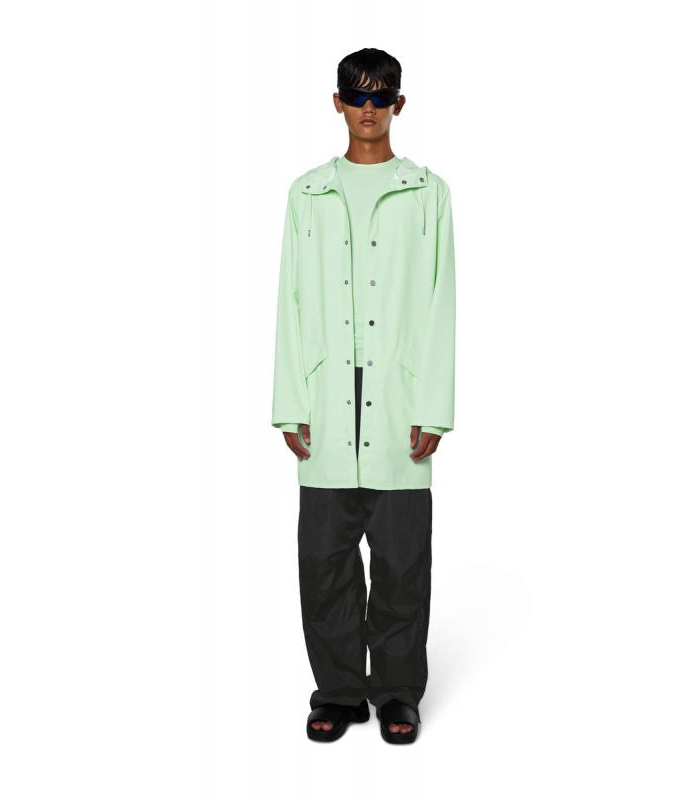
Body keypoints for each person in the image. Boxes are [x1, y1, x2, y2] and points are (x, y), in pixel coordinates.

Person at [270, 47, 456, 744]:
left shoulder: (427, 192)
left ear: (399, 104)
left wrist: (434, 407)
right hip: (326, 400)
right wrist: (290, 402)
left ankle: (398, 690)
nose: (368, 108)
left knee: (403, 561)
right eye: (357, 96)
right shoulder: (308, 193)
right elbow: (289, 300)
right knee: (324, 560)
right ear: (338, 103)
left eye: (381, 97)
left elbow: (441, 303)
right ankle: (340, 690)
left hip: (399, 398)